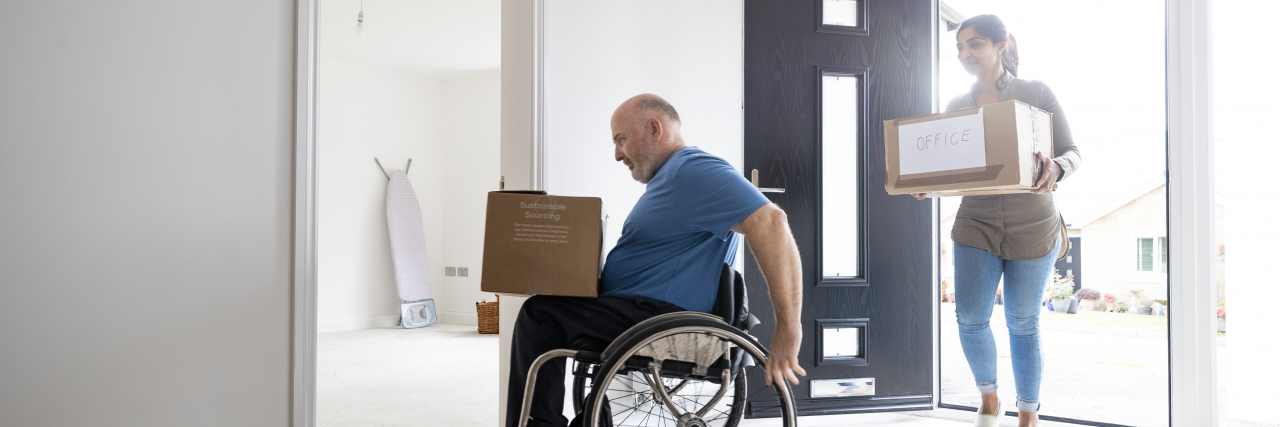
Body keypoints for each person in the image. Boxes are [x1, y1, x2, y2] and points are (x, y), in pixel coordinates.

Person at [506, 94, 807, 427]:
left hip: (657, 318)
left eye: (621, 140)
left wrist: (789, 327)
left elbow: (771, 222)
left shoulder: (692, 169)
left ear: (653, 128)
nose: (617, 154)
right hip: (639, 312)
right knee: (550, 306)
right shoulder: (673, 177)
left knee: (540, 316)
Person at [916, 14, 1081, 427]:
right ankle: (989, 398)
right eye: (959, 47)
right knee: (970, 320)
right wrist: (925, 184)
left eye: (974, 44)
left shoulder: (1035, 93)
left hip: (1034, 223)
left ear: (1000, 44)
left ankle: (1029, 414)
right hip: (975, 222)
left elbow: (1073, 152)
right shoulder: (956, 106)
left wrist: (1057, 168)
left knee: (1023, 322)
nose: (965, 54)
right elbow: (951, 174)